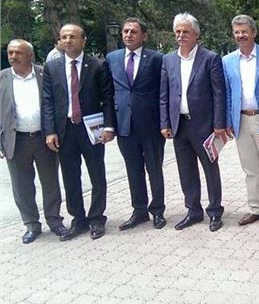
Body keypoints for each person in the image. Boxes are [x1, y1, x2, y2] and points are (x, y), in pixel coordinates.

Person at [42, 24, 116, 241]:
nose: (68, 40)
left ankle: (96, 217)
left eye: (72, 37)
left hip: (91, 128)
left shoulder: (97, 65)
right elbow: (47, 101)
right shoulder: (52, 67)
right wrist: (50, 131)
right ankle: (79, 218)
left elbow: (107, 98)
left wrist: (109, 127)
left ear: (83, 40)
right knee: (70, 177)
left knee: (97, 174)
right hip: (65, 130)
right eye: (64, 37)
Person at [160, 13, 227, 232]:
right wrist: (165, 123)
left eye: (185, 31)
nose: (181, 35)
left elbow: (219, 94)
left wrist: (219, 124)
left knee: (210, 169)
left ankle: (215, 211)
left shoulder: (210, 58)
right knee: (186, 171)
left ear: (196, 34)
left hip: (204, 125)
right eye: (178, 31)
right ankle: (193, 211)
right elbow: (164, 95)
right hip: (179, 126)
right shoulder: (168, 60)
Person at [1, 39, 67, 243]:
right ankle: (31, 224)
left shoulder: (44, 74)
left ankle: (54, 220)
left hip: (44, 138)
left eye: (18, 53)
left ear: (30, 55)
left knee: (50, 182)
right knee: (21, 185)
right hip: (16, 140)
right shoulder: (2, 79)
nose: (13, 56)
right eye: (10, 53)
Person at [222, 15, 259, 229]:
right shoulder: (227, 60)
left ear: (254, 33)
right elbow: (228, 93)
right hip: (240, 119)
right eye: (237, 32)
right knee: (249, 169)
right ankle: (256, 208)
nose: (241, 35)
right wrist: (228, 120)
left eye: (244, 32)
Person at [106, 18, 166, 230]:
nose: (128, 35)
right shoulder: (112, 58)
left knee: (154, 170)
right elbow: (108, 93)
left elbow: (163, 92)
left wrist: (164, 122)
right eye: (125, 31)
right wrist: (109, 125)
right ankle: (139, 211)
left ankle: (157, 210)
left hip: (151, 125)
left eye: (133, 31)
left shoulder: (156, 59)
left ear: (144, 36)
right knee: (133, 170)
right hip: (124, 125)